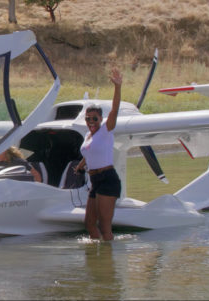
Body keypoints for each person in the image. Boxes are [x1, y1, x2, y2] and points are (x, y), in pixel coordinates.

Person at [74, 67, 122, 241]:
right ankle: (95, 261)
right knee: (89, 223)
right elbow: (88, 153)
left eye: (94, 118)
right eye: (88, 118)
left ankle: (107, 264)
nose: (91, 122)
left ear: (101, 119)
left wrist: (117, 86)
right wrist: (80, 167)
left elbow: (115, 110)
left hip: (108, 179)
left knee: (104, 226)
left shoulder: (106, 130)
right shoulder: (88, 136)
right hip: (94, 181)